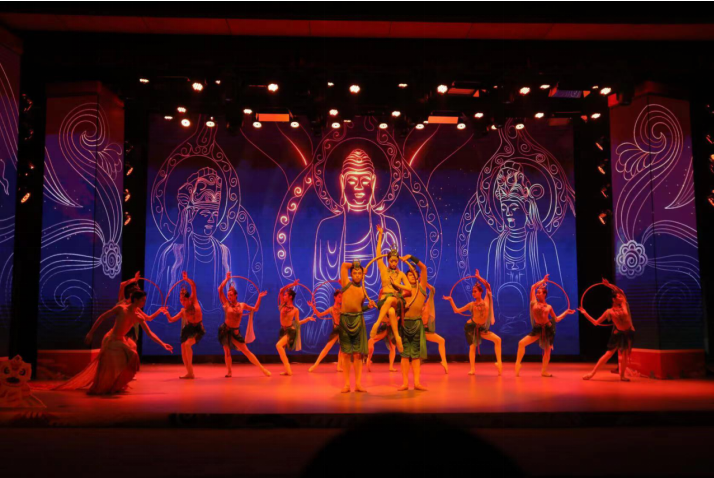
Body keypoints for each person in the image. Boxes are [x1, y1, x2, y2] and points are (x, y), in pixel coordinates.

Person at [83, 291, 172, 395]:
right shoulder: (121, 309)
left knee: (126, 360)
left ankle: (115, 385)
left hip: (121, 341)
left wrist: (162, 344)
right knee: (115, 364)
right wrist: (91, 333)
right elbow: (103, 317)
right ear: (136, 300)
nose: (144, 302)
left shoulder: (138, 315)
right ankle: (106, 386)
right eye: (143, 300)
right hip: (111, 340)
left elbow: (149, 332)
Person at [514, 274, 575, 377]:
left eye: (539, 292)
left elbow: (556, 319)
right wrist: (543, 280)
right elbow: (533, 287)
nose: (537, 294)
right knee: (521, 343)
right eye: (537, 292)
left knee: (547, 352)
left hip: (547, 329)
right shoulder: (534, 303)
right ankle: (517, 364)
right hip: (537, 328)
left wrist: (566, 312)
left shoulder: (549, 307)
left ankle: (544, 371)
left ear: (544, 294)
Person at [444, 270, 502, 376]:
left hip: (482, 328)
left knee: (498, 340)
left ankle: (499, 364)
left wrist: (479, 277)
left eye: (475, 291)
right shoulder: (471, 304)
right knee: (472, 347)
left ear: (480, 292)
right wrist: (451, 300)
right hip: (471, 327)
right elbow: (456, 310)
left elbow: (488, 286)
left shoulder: (486, 300)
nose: (473, 293)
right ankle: (472, 369)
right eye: (472, 292)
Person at [579, 279, 635, 381]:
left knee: (625, 354)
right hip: (618, 334)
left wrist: (608, 285)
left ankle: (622, 376)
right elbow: (596, 322)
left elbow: (621, 291)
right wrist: (585, 313)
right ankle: (592, 373)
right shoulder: (609, 311)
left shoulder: (624, 304)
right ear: (614, 299)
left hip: (628, 332)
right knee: (608, 354)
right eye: (618, 297)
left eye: (621, 296)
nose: (621, 297)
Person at [217, 272, 270, 378]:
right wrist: (227, 279)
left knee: (246, 351)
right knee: (227, 352)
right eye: (228, 295)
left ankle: (262, 369)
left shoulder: (242, 305)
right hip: (225, 330)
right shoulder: (226, 304)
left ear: (236, 295)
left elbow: (255, 309)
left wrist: (259, 297)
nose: (229, 296)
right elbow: (219, 289)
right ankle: (229, 372)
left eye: (231, 295)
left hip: (235, 332)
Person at [339, 260, 376, 393]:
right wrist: (359, 265)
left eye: (359, 273)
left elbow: (359, 308)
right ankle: (347, 384)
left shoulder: (363, 290)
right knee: (345, 354)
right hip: (345, 320)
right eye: (355, 273)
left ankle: (358, 384)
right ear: (351, 274)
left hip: (358, 321)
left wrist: (368, 306)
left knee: (357, 355)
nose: (357, 275)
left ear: (362, 275)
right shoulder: (346, 283)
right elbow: (344, 265)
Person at [369, 224, 407, 352]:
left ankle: (377, 323)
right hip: (383, 300)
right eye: (391, 261)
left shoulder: (401, 274)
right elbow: (378, 253)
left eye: (396, 261)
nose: (394, 263)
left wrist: (398, 286)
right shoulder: (383, 270)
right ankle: (397, 337)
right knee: (390, 312)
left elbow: (409, 288)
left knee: (391, 301)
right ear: (388, 260)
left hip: (395, 299)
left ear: (398, 261)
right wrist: (380, 235)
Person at [396, 255, 428, 391]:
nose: (412, 276)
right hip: (404, 324)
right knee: (404, 355)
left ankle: (416, 382)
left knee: (415, 356)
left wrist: (410, 257)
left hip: (416, 324)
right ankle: (405, 383)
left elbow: (424, 268)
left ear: (417, 276)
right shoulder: (402, 290)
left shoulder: (421, 288)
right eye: (409, 274)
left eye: (415, 274)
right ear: (406, 277)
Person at [165, 271, 204, 379]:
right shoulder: (183, 311)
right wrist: (167, 314)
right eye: (180, 300)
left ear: (188, 298)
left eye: (184, 299)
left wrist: (186, 279)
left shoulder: (194, 301)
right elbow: (171, 320)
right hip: (188, 329)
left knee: (187, 345)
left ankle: (190, 372)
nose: (182, 302)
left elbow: (193, 286)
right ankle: (189, 372)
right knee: (183, 350)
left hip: (198, 329)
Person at [276, 280, 316, 376]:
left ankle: (288, 370)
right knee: (282, 352)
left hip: (290, 331)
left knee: (278, 346)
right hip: (282, 330)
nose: (284, 296)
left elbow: (297, 323)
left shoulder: (295, 310)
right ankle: (287, 370)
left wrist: (307, 319)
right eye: (284, 295)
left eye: (286, 295)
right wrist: (292, 284)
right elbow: (281, 291)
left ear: (290, 297)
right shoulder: (282, 305)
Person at [308, 290, 346, 373]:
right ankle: (315, 365)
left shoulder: (344, 308)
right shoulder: (331, 309)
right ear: (335, 297)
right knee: (327, 347)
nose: (341, 299)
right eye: (339, 297)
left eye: (342, 297)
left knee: (342, 349)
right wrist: (313, 307)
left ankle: (339, 366)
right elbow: (319, 315)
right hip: (336, 329)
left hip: (344, 330)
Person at [423, 283, 448, 374]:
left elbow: (432, 290)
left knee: (441, 340)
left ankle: (444, 361)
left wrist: (425, 283)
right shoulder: (415, 304)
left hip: (427, 332)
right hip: (418, 331)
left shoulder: (428, 304)